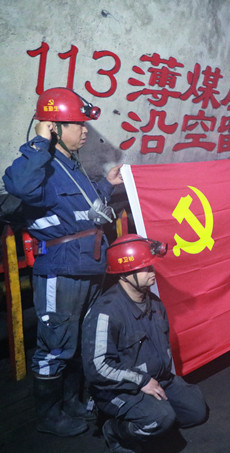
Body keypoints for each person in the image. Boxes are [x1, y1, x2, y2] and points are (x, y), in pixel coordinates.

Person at [3, 87, 123, 436]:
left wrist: (107, 186)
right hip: (61, 270)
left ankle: (71, 402)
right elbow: (20, 187)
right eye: (77, 124)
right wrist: (40, 141)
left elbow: (81, 209)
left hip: (88, 266)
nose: (85, 131)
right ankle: (48, 417)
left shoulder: (72, 165)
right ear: (54, 128)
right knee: (55, 346)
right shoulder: (40, 165)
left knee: (78, 341)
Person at [82, 235, 208, 451]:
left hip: (157, 380)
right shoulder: (105, 312)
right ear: (124, 274)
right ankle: (114, 430)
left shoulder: (155, 304)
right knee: (160, 419)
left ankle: (154, 419)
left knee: (197, 411)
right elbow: (97, 368)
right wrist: (141, 381)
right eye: (145, 268)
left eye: (151, 266)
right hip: (119, 389)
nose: (152, 272)